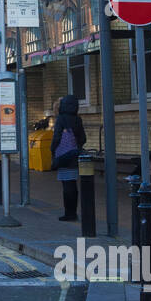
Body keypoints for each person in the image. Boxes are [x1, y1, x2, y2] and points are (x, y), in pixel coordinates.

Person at [50, 94, 87, 222]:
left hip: (63, 156)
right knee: (73, 185)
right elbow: (83, 138)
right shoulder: (78, 119)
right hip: (74, 155)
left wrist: (53, 150)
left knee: (66, 186)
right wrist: (75, 147)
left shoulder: (61, 119)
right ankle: (73, 212)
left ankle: (68, 214)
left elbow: (56, 138)